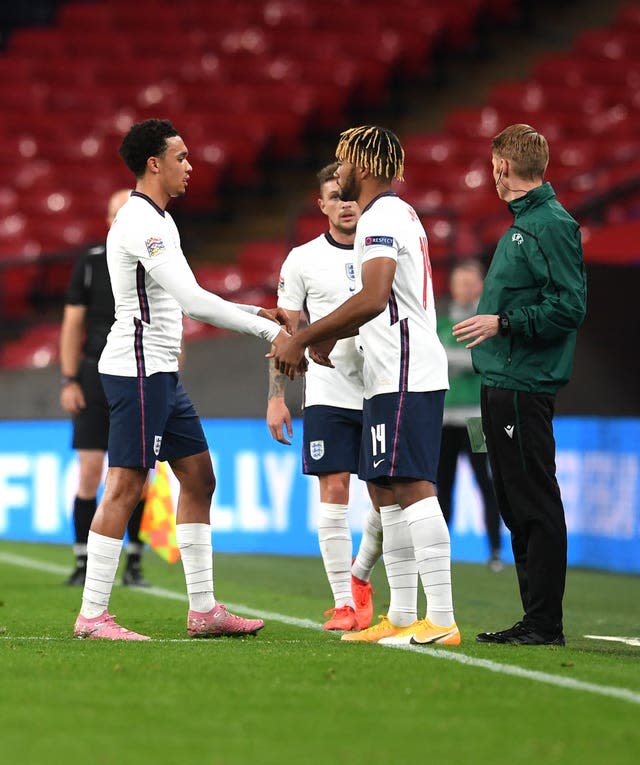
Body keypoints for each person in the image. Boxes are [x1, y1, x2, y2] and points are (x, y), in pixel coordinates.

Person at [73, 118, 292, 640]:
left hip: (162, 374)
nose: (190, 166)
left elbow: (184, 298)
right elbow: (195, 303)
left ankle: (203, 611)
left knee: (199, 478)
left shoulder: (160, 221)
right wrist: (266, 332)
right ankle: (92, 615)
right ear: (155, 163)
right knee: (126, 484)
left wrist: (255, 310)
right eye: (181, 157)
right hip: (139, 370)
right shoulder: (141, 223)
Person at [270, 125, 459, 646]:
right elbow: (385, 297)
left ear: (365, 165)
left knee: (413, 485)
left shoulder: (382, 215)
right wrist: (333, 336)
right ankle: (400, 618)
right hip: (387, 369)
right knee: (388, 492)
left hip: (403, 367)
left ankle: (440, 617)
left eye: (345, 161)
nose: (341, 170)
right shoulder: (395, 214)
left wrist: (307, 335)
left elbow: (375, 296)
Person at [453, 123, 587, 646]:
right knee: (513, 500)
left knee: (533, 499)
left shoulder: (549, 224)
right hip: (502, 380)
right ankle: (534, 617)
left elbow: (570, 306)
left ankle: (544, 623)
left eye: (493, 165)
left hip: (524, 383)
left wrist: (503, 322)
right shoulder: (526, 224)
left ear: (502, 168)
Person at [267, 162, 383, 632]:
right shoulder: (302, 259)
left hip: (382, 385)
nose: (346, 203)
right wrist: (277, 396)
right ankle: (343, 603)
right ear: (322, 205)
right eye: (335, 196)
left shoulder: (384, 250)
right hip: (327, 391)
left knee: (385, 497)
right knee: (333, 489)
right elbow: (284, 332)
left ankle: (361, 576)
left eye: (351, 195)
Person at [61, 189, 152, 588]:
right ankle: (83, 563)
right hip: (94, 373)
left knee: (137, 474)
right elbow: (72, 324)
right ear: (107, 220)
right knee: (90, 471)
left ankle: (134, 563)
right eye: (117, 214)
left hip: (138, 371)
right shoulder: (92, 261)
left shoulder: (153, 258)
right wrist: (69, 379)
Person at [436, 259, 503, 571]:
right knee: (441, 485)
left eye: (470, 282)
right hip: (443, 418)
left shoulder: (488, 322)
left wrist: (446, 356)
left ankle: (495, 552)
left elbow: (485, 362)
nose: (464, 288)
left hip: (477, 418)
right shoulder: (439, 321)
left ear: (480, 286)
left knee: (485, 483)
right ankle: (439, 552)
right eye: (459, 282)